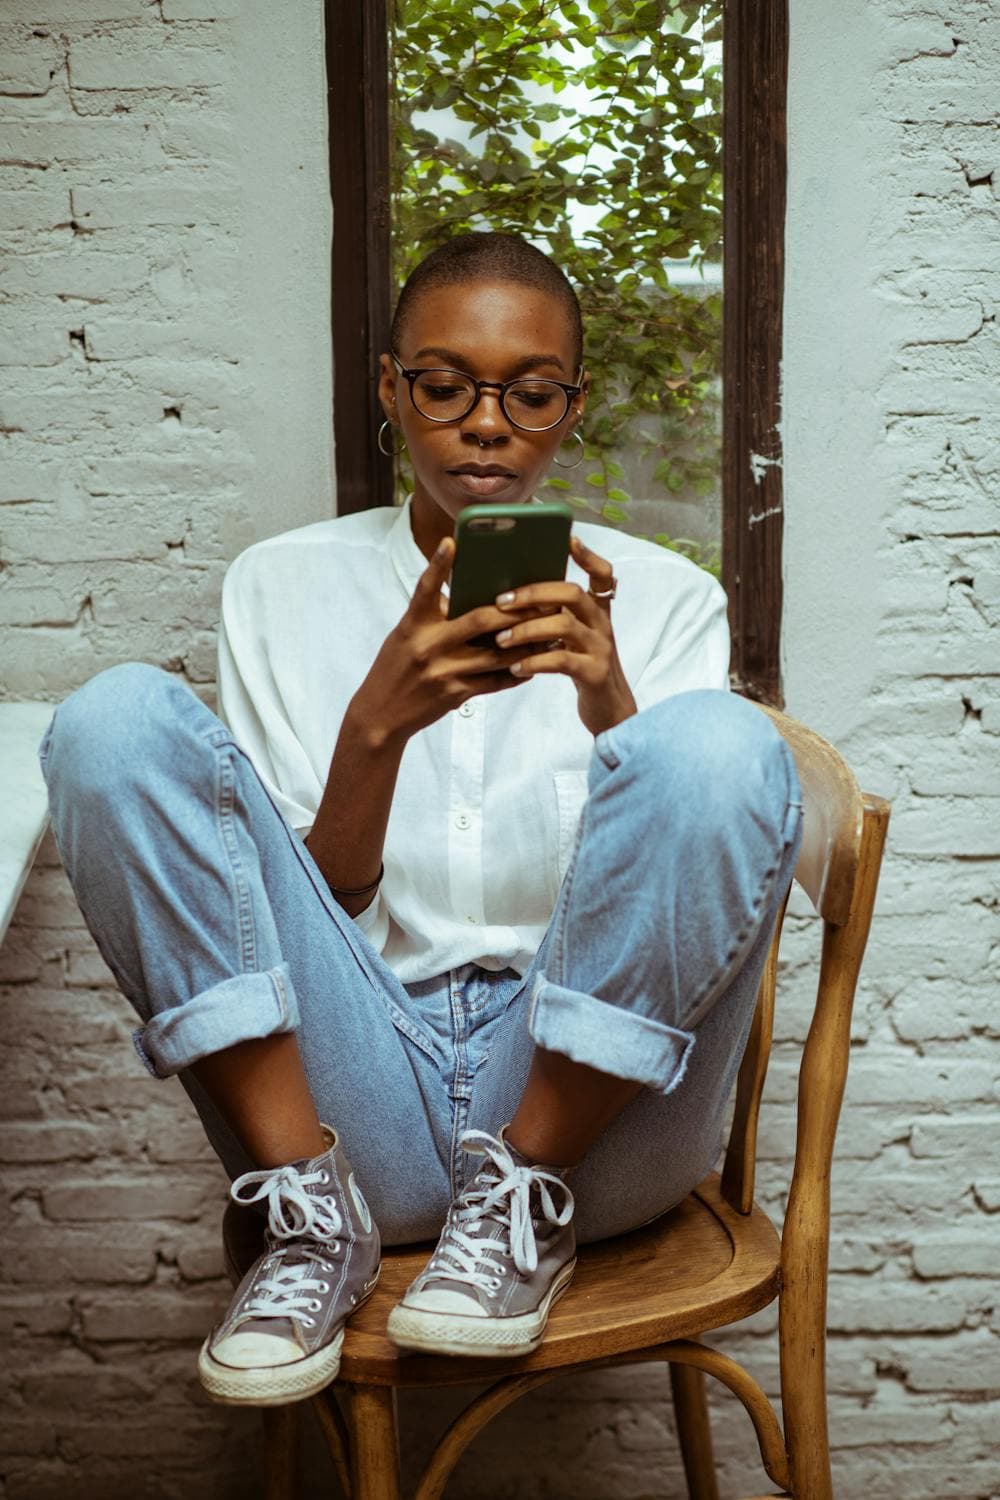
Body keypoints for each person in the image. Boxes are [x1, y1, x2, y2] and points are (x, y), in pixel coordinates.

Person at [40, 232, 802, 1407]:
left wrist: (611, 702)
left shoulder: (665, 601)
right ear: (392, 391)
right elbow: (306, 916)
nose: (485, 423)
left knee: (716, 743)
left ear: (569, 406)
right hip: (357, 1112)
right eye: (444, 385)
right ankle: (310, 1223)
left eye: (530, 392)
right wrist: (377, 728)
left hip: (595, 1133)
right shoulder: (278, 587)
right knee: (109, 723)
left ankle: (522, 1196)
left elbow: (683, 886)